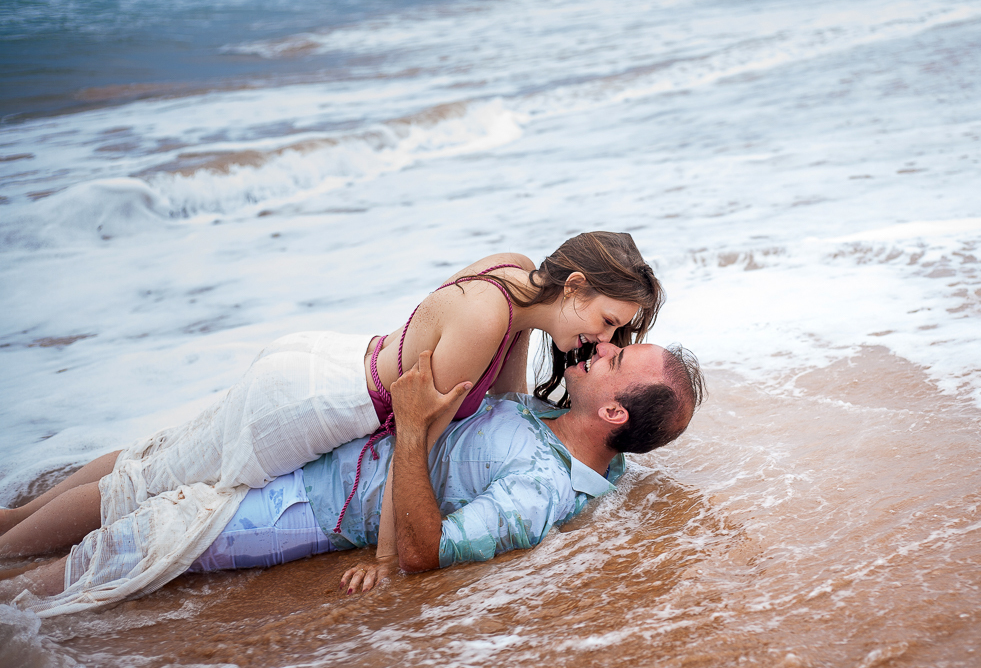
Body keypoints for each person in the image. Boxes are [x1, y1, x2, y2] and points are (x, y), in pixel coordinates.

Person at [0, 232, 664, 578]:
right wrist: (382, 560)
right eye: (607, 321)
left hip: (327, 364)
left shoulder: (512, 280)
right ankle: (12, 542)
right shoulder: (487, 322)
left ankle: (15, 518)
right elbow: (422, 444)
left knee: (166, 453)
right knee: (151, 483)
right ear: (576, 286)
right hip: (313, 406)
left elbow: (503, 400)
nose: (604, 340)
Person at [6, 342, 705, 615]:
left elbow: (425, 553)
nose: (604, 347)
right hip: (329, 449)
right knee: (141, 473)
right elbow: (497, 411)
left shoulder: (542, 493)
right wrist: (520, 319)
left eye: (618, 358)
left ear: (612, 410)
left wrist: (408, 426)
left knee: (138, 541)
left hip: (310, 508)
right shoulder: (562, 425)